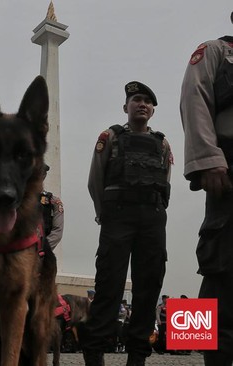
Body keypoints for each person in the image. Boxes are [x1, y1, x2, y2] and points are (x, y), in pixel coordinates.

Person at [83, 81, 172, 366]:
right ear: (126, 107)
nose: (142, 104)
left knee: (148, 290)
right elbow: (95, 180)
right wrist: (104, 213)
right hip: (117, 218)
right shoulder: (110, 137)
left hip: (152, 220)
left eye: (147, 101)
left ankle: (137, 358)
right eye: (136, 99)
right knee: (109, 287)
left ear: (153, 110)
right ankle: (95, 355)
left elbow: (165, 181)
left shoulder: (162, 143)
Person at [179, 11, 233, 366]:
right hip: (226, 167)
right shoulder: (215, 51)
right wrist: (208, 159)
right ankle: (202, 354)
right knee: (217, 267)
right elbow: (194, 98)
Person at [40, 164, 64, 251]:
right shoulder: (19, 200)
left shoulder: (53, 202)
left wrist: (41, 248)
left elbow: (57, 232)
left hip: (42, 254)